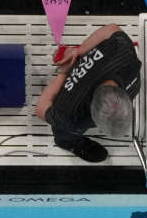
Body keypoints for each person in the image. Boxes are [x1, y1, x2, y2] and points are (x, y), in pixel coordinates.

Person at [34, 23, 141, 163]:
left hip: (91, 65)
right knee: (64, 130)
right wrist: (64, 71)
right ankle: (68, 142)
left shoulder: (126, 56)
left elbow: (111, 29)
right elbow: (41, 108)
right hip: (70, 87)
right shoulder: (69, 114)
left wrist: (78, 51)